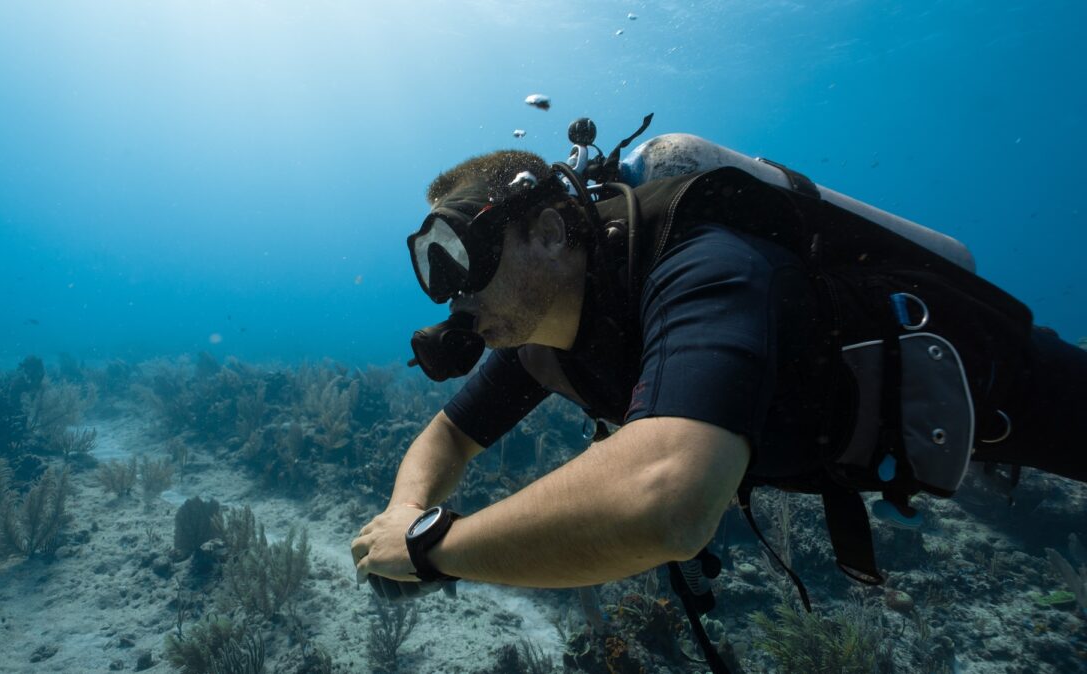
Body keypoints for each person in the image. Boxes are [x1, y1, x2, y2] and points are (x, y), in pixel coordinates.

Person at [349, 145, 1087, 627]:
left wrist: (430, 547)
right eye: (432, 267)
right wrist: (405, 511)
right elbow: (448, 435)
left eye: (462, 257)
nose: (452, 298)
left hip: (1010, 387)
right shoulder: (542, 338)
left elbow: (666, 504)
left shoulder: (702, 263)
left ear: (547, 231)